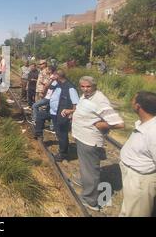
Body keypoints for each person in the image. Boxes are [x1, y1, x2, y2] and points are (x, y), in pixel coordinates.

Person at [72, 76, 124, 211]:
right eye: (82, 86)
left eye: (88, 86)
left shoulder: (100, 101)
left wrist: (102, 124)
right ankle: (85, 182)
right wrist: (72, 112)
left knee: (91, 170)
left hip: (89, 140)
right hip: (81, 137)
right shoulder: (86, 97)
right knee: (86, 167)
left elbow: (119, 123)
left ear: (94, 86)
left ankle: (91, 200)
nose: (85, 89)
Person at [119, 91, 156, 217]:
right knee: (129, 208)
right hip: (132, 176)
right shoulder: (143, 123)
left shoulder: (153, 131)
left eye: (133, 100)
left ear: (138, 106)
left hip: (141, 181)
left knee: (137, 212)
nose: (131, 102)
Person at [34, 69, 79, 162]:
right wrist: (51, 80)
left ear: (58, 76)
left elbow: (76, 105)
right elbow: (46, 88)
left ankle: (63, 153)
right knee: (40, 115)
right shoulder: (56, 83)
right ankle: (38, 134)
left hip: (61, 114)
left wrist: (70, 112)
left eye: (54, 75)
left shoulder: (70, 88)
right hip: (52, 111)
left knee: (61, 134)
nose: (52, 76)